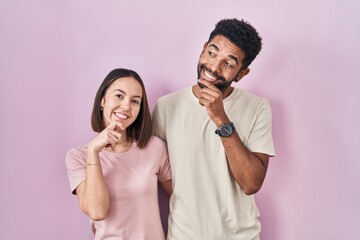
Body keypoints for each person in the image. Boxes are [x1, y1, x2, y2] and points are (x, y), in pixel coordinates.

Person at [152, 18, 275, 239]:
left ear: (241, 73)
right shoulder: (166, 107)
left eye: (228, 63)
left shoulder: (258, 108)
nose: (213, 67)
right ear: (203, 49)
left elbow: (251, 183)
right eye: (211, 53)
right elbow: (158, 172)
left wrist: (220, 118)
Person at [65, 68, 172, 240]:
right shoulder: (78, 157)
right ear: (102, 100)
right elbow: (97, 211)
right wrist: (94, 152)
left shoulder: (154, 148)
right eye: (119, 96)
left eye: (135, 101)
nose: (126, 106)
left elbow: (180, 199)